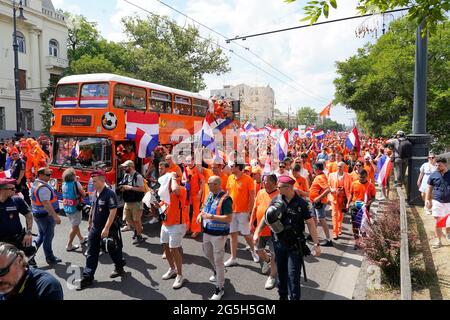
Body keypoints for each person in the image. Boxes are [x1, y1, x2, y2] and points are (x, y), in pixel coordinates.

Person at [254, 176, 321, 300]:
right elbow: (266, 216)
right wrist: (257, 231)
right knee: (282, 275)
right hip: (279, 244)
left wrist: (316, 244)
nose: (276, 188)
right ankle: (282, 297)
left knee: (293, 276)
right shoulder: (275, 200)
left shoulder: (301, 203)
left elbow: (310, 223)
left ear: (288, 188)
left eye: (279, 187)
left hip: (295, 246)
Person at [76, 169, 126, 290]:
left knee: (112, 248)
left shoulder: (109, 194)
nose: (93, 183)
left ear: (103, 180)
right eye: (92, 181)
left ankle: (119, 267)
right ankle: (88, 277)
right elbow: (93, 208)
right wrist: (89, 221)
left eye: (95, 181)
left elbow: (113, 211)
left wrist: (107, 228)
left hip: (108, 229)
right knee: (92, 252)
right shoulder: (94, 193)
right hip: (95, 228)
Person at [197, 175, 233, 300]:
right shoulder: (210, 195)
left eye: (210, 183)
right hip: (207, 232)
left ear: (217, 184)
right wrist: (200, 215)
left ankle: (220, 288)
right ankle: (219, 271)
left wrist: (211, 217)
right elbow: (205, 207)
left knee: (218, 260)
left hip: (219, 235)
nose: (208, 185)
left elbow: (229, 218)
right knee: (207, 253)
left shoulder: (226, 199)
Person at [158, 161, 188, 289]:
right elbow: (162, 206)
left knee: (173, 249)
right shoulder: (165, 192)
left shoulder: (180, 189)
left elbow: (175, 189)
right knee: (165, 246)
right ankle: (172, 269)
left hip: (177, 224)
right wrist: (154, 204)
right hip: (166, 223)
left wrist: (173, 177)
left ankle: (180, 275)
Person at [225, 163, 260, 266]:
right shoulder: (230, 177)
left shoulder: (248, 179)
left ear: (238, 167)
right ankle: (233, 257)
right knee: (233, 234)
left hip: (243, 212)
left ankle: (254, 251)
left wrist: (250, 212)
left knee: (246, 234)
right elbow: (228, 193)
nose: (230, 168)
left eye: (232, 166)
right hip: (231, 212)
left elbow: (252, 197)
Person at [251, 174, 279, 290]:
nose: (263, 182)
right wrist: (251, 222)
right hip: (260, 229)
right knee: (257, 250)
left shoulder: (279, 195)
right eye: (263, 181)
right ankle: (267, 261)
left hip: (274, 231)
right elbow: (255, 207)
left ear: (273, 183)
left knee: (273, 254)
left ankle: (272, 276)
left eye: (266, 181)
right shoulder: (261, 192)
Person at [30, 167, 61, 265]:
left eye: (50, 174)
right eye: (47, 175)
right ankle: (50, 258)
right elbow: (46, 203)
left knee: (41, 235)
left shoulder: (36, 184)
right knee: (48, 237)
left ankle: (30, 256)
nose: (50, 176)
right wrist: (55, 216)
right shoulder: (42, 188)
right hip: (46, 216)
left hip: (38, 214)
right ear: (40, 175)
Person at [0, 178, 35, 263]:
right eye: (12, 189)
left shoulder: (17, 200)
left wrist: (28, 233)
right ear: (2, 190)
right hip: (1, 242)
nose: (15, 190)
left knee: (25, 264)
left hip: (17, 239)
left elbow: (29, 215)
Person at [118, 160, 146, 245]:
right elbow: (122, 184)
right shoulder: (126, 175)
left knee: (136, 220)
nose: (123, 168)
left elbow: (142, 189)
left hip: (136, 202)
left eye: (125, 167)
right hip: (128, 201)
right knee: (128, 219)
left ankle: (139, 236)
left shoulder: (138, 176)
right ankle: (137, 230)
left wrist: (130, 188)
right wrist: (122, 187)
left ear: (130, 167)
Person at [347, 169, 376, 249]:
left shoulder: (370, 185)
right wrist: (348, 203)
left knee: (363, 224)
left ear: (366, 176)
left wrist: (369, 203)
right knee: (354, 224)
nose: (361, 179)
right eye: (360, 177)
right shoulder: (354, 184)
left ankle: (364, 242)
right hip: (355, 206)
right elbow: (351, 194)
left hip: (365, 208)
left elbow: (373, 197)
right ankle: (357, 242)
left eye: (363, 177)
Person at [425, 157, 450, 249]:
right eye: (436, 165)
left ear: (445, 164)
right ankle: (438, 240)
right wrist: (427, 199)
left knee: (448, 221)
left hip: (449, 202)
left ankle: (448, 234)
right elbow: (429, 188)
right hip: (437, 201)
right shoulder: (433, 175)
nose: (438, 167)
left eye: (440, 165)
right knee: (438, 221)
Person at [61, 168, 88, 252]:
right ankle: (69, 245)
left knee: (75, 225)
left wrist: (76, 181)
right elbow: (83, 194)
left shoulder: (64, 184)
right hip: (75, 208)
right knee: (75, 226)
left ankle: (81, 239)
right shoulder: (76, 184)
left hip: (67, 207)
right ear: (73, 176)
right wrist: (77, 182)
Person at [309, 162, 333, 246]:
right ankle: (313, 235)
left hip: (319, 202)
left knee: (321, 219)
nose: (313, 170)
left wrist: (318, 198)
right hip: (315, 202)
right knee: (314, 218)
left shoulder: (320, 177)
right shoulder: (319, 176)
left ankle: (328, 239)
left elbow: (328, 189)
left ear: (317, 169)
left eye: (314, 168)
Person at [328, 162, 352, 240]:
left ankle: (339, 227)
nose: (339, 168)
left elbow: (350, 188)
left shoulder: (348, 176)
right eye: (338, 166)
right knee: (334, 214)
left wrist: (349, 198)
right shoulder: (331, 175)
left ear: (344, 167)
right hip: (334, 197)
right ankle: (335, 232)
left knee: (340, 214)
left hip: (343, 197)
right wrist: (332, 189)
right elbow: (328, 185)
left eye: (341, 166)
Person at [184, 156, 205, 238]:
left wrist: (200, 192)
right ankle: (187, 228)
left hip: (195, 194)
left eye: (189, 161)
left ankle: (196, 230)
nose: (188, 162)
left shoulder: (197, 169)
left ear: (193, 161)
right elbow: (183, 179)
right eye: (187, 161)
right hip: (188, 194)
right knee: (187, 212)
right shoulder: (185, 169)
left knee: (196, 212)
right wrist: (185, 181)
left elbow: (202, 181)